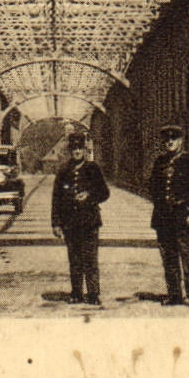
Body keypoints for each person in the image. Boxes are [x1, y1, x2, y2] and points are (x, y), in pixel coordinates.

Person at [149, 123, 189, 307]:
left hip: (184, 217)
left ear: (180, 141)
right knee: (169, 258)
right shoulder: (160, 162)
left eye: (173, 139)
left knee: (188, 258)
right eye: (166, 140)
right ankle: (174, 295)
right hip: (164, 218)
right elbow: (152, 187)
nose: (170, 142)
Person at [51, 131, 110, 305]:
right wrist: (56, 224)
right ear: (70, 150)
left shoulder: (93, 169)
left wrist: (89, 195)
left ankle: (93, 294)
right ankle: (76, 292)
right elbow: (56, 199)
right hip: (70, 223)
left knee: (90, 259)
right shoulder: (63, 171)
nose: (77, 151)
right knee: (74, 259)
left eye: (80, 148)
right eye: (74, 148)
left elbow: (105, 193)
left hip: (89, 222)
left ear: (85, 150)